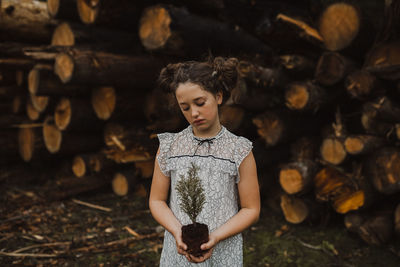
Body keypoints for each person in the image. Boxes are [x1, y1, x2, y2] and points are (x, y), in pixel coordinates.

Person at [149, 57, 260, 266]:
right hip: (179, 252)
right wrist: (176, 231)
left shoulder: (239, 149)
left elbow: (251, 209)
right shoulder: (170, 147)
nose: (194, 113)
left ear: (218, 96)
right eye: (185, 107)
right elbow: (156, 200)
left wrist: (216, 236)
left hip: (224, 250)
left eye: (200, 103)